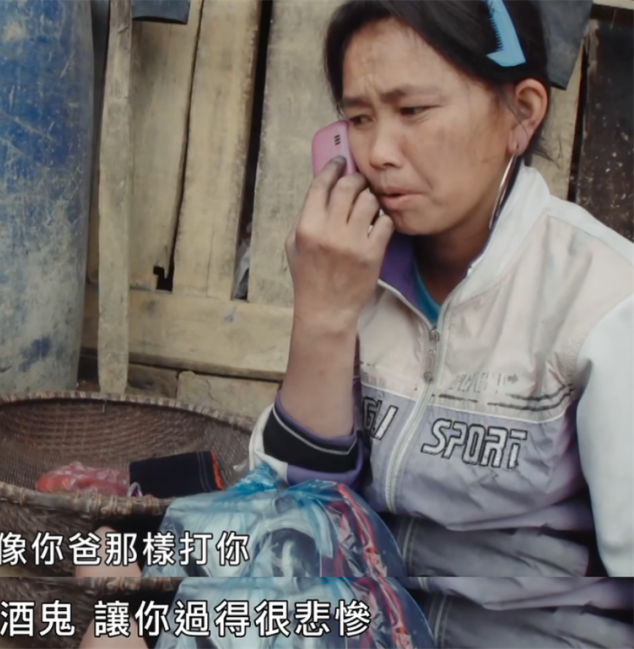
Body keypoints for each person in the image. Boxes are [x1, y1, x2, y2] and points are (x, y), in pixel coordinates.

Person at [250, 0, 634, 646]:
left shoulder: (602, 299)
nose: (379, 152)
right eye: (359, 118)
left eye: (413, 111)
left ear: (522, 113)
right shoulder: (351, 268)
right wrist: (323, 315)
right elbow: (290, 519)